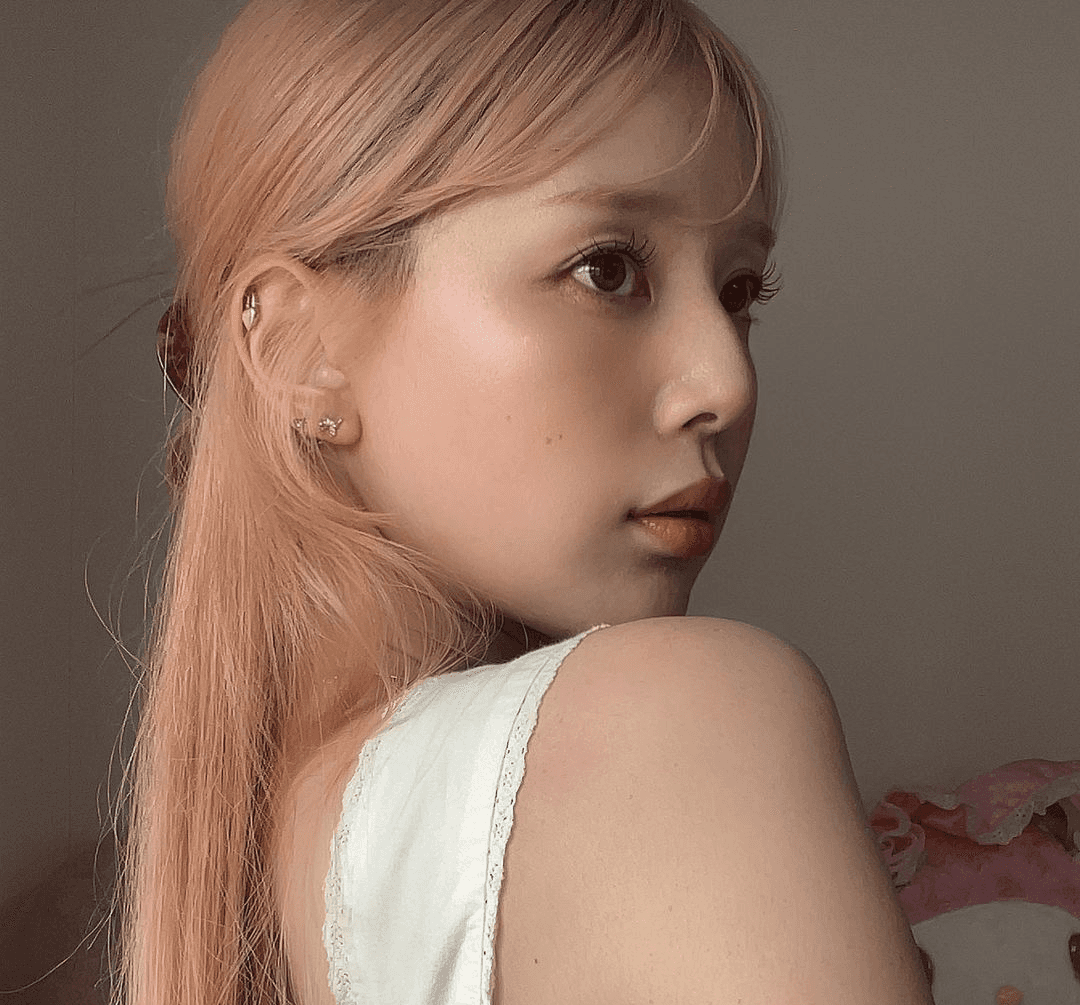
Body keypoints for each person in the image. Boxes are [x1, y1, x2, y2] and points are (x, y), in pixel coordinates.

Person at [117, 0, 935, 1002]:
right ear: (302, 351)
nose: (726, 384)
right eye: (607, 269)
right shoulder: (677, 720)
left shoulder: (273, 859)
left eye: (739, 292)